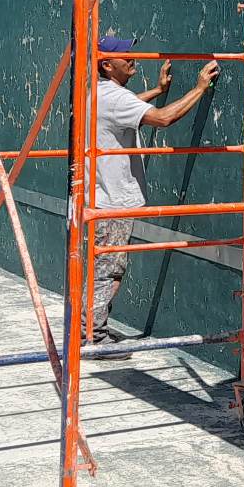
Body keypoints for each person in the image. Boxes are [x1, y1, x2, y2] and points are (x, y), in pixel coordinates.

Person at [86, 35, 221, 337]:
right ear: (107, 65)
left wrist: (159, 90)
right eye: (125, 55)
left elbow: (128, 106)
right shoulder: (115, 97)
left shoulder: (99, 92)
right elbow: (163, 118)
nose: (133, 58)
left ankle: (88, 330)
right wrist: (199, 88)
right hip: (112, 202)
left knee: (103, 267)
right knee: (110, 271)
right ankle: (91, 335)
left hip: (100, 197)